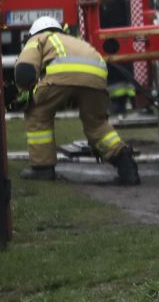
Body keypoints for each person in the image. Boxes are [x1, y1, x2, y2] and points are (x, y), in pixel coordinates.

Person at [14, 16, 140, 184]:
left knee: (37, 113)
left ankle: (42, 168)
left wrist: (26, 94)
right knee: (96, 123)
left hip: (62, 76)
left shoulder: (39, 38)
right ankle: (127, 166)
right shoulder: (75, 40)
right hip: (97, 79)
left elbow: (24, 71)